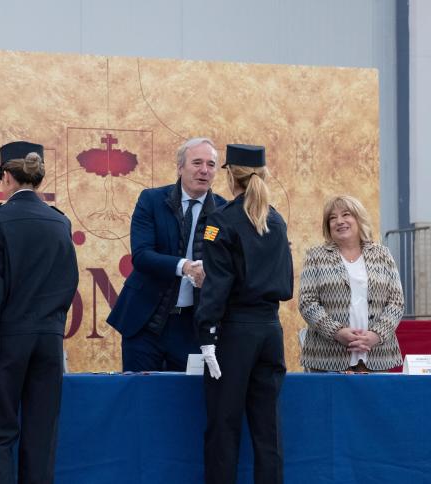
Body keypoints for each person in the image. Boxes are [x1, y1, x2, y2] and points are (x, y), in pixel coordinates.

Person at [0, 141, 79, 484]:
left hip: (8, 342)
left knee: (0, 432)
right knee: (41, 434)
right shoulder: (59, 222)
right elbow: (68, 283)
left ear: (6, 177)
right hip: (49, 339)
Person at [194, 144, 293, 484]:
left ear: (229, 175)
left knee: (224, 425)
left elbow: (216, 283)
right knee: (268, 430)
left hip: (235, 332)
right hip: (270, 330)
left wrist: (206, 333)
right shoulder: (276, 220)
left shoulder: (219, 221)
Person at [107, 137, 226, 371]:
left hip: (192, 327)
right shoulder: (151, 200)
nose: (204, 170)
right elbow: (141, 255)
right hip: (146, 322)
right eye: (197, 163)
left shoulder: (224, 211)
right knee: (140, 397)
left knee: (183, 401)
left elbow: (229, 267)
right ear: (180, 167)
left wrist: (209, 272)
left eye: (211, 165)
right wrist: (184, 266)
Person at [299, 195, 404, 372]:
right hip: (327, 356)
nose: (339, 221)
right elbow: (307, 302)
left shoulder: (383, 254)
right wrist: (337, 333)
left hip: (377, 354)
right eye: (332, 218)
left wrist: (376, 335)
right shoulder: (315, 255)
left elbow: (396, 302)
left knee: (373, 401)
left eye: (346, 214)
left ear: (358, 218)